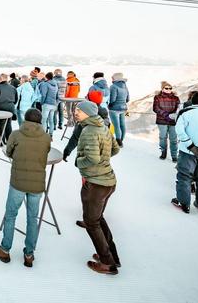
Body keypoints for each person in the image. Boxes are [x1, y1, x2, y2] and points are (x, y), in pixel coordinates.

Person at [0, 108, 51, 267]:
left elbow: (9, 152)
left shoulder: (16, 135)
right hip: (37, 183)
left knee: (10, 215)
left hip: (18, 182)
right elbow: (46, 153)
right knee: (32, 218)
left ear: (25, 119)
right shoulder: (46, 137)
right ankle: (29, 254)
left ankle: (4, 250)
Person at [74, 100, 121, 275]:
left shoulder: (89, 131)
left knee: (91, 222)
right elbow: (115, 149)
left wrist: (78, 162)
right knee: (98, 219)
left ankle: (107, 263)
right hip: (108, 181)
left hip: (96, 184)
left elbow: (92, 159)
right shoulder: (103, 127)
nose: (76, 112)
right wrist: (103, 161)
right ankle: (111, 255)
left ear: (88, 113)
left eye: (79, 110)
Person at [153, 82, 180, 161]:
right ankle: (163, 152)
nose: (168, 90)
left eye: (170, 88)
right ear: (162, 89)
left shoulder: (176, 98)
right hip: (162, 121)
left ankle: (174, 156)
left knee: (173, 139)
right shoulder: (157, 97)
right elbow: (156, 108)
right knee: (163, 137)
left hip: (173, 121)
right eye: (166, 88)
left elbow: (178, 108)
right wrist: (166, 115)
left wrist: (173, 115)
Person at [0, 73, 17, 144]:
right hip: (10, 108)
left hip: (0, 109)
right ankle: (9, 142)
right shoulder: (13, 88)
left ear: (1, 78)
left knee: (0, 126)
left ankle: (1, 142)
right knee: (8, 125)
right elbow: (16, 99)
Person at [108, 73, 129, 147]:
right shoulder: (125, 86)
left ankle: (118, 142)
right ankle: (121, 140)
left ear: (116, 78)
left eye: (112, 78)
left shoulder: (113, 86)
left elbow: (112, 99)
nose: (112, 79)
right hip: (123, 108)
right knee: (122, 124)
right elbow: (128, 99)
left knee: (116, 125)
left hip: (114, 109)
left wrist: (109, 104)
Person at [38, 72, 60, 137]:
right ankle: (51, 134)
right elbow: (57, 96)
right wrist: (56, 103)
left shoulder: (45, 84)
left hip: (47, 104)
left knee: (44, 120)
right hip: (53, 105)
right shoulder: (55, 84)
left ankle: (43, 134)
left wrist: (42, 102)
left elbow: (43, 95)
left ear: (46, 77)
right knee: (51, 120)